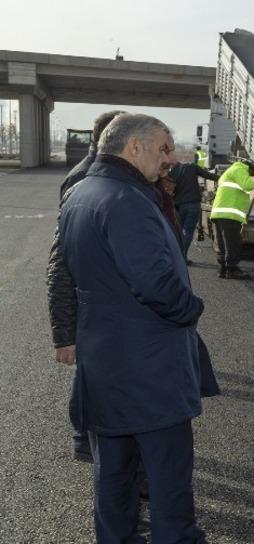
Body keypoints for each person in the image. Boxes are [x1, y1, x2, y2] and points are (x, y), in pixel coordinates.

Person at [58, 113, 214, 543]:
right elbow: (157, 285)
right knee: (168, 480)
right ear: (134, 147)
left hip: (105, 364)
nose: (171, 158)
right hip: (150, 369)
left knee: (114, 474)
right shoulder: (126, 200)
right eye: (164, 147)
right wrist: (192, 307)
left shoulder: (82, 193)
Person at [48, 109, 124, 462]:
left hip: (98, 299)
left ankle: (89, 436)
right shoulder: (84, 180)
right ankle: (83, 437)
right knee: (89, 374)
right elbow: (61, 260)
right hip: (87, 299)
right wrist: (63, 334)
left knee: (93, 373)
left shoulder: (100, 175)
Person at [209, 158, 254, 279]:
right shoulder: (239, 169)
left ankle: (222, 269)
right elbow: (248, 185)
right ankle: (232, 269)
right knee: (232, 243)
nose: (251, 175)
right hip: (229, 215)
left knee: (222, 243)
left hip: (219, 213)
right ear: (249, 167)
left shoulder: (228, 172)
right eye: (252, 173)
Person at [169, 160, 218, 261]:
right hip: (192, 204)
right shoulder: (192, 167)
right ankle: (182, 257)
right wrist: (223, 178)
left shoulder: (172, 172)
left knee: (178, 232)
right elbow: (208, 175)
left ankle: (177, 257)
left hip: (178, 206)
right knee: (187, 232)